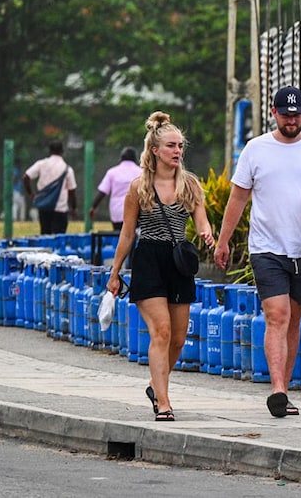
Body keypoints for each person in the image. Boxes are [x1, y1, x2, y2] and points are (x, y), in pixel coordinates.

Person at [214, 85, 301, 418]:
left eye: (297, 114)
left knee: (294, 321)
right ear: (274, 113)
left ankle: (284, 392)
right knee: (277, 316)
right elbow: (239, 198)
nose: (292, 120)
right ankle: (277, 389)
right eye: (286, 115)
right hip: (267, 248)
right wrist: (223, 240)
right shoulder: (256, 149)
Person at [106, 111, 214, 422]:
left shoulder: (190, 185)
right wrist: (115, 273)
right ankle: (163, 403)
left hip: (179, 261)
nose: (178, 151)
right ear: (155, 150)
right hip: (149, 260)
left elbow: (201, 219)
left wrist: (206, 232)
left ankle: (156, 385)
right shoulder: (139, 187)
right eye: (171, 146)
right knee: (161, 331)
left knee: (179, 338)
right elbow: (127, 233)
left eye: (180, 145)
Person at [22, 140, 77, 234]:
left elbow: (26, 177)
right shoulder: (67, 169)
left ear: (49, 151)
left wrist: (31, 193)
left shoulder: (41, 164)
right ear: (62, 152)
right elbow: (72, 191)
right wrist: (73, 208)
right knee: (59, 237)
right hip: (60, 208)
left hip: (44, 207)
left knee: (45, 234)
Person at [89, 146, 142, 230]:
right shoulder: (141, 172)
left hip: (117, 213)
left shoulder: (112, 172)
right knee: (134, 237)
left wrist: (93, 207)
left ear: (121, 158)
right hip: (136, 212)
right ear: (135, 159)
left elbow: (102, 192)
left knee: (119, 236)